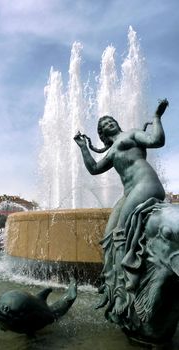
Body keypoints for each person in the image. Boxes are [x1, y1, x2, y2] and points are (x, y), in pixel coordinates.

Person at [74, 98, 169, 318]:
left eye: (110, 121)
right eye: (104, 124)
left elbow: (157, 140)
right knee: (109, 238)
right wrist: (83, 148)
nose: (108, 124)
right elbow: (94, 169)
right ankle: (115, 286)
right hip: (130, 192)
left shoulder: (132, 134)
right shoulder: (113, 149)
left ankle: (129, 290)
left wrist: (156, 117)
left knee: (120, 234)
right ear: (103, 134)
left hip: (146, 185)